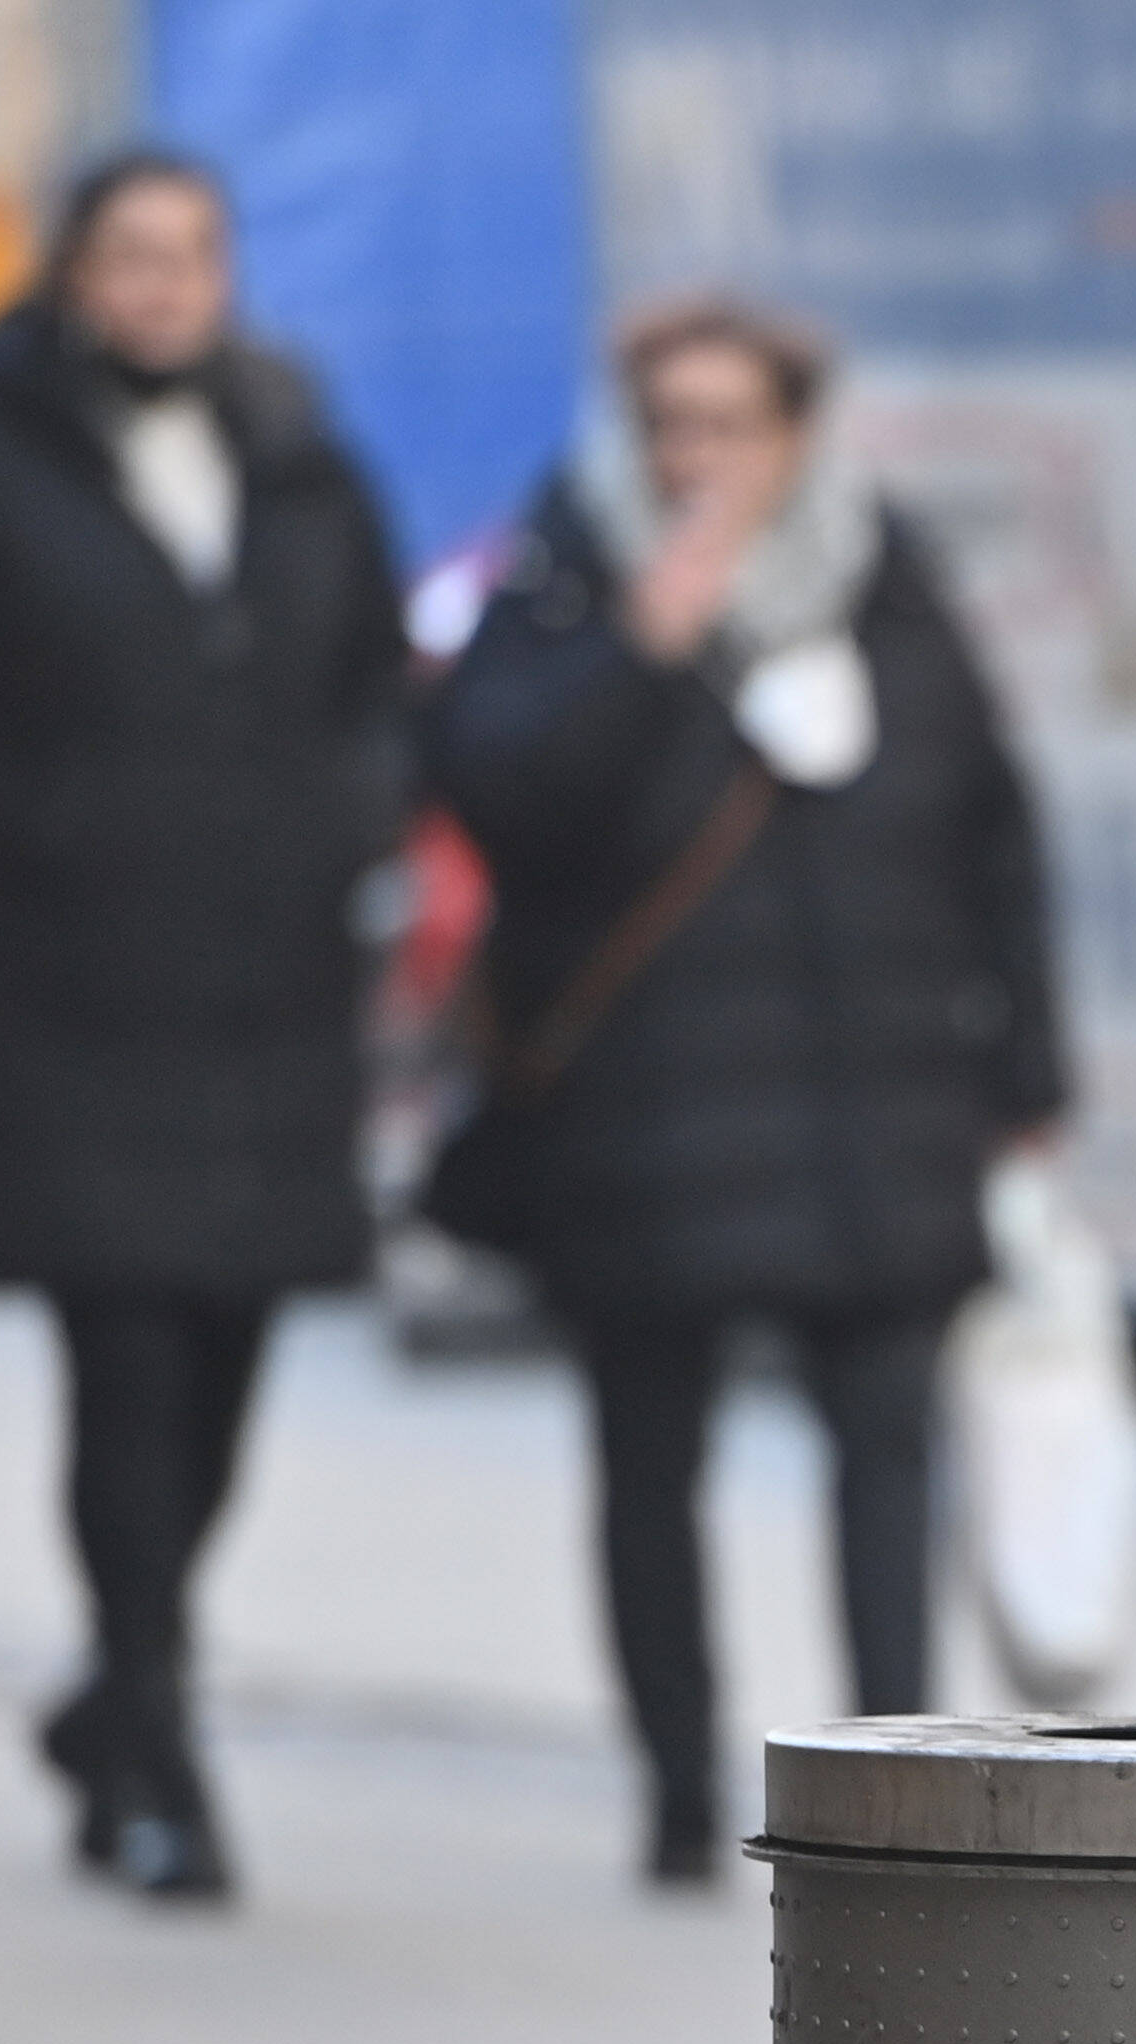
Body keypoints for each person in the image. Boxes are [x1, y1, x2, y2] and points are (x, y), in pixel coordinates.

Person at [423, 296, 1064, 1884]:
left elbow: (991, 821)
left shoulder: (883, 578)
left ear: (797, 436)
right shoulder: (569, 579)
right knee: (651, 1456)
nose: (699, 459)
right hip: (653, 1119)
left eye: (733, 426)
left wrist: (1025, 1062)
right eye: (671, 427)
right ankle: (672, 1786)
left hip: (880, 1103)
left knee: (888, 1454)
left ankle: (899, 1790)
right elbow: (497, 804)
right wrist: (643, 652)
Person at [0, 149, 409, 1904]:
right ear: (72, 273)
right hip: (64, 986)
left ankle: (113, 1691)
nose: (163, 286)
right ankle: (166, 1752)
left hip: (269, 994)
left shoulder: (303, 460)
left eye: (193, 255)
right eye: (130, 254)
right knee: (124, 1357)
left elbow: (372, 694)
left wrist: (348, 831)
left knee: (235, 1350)